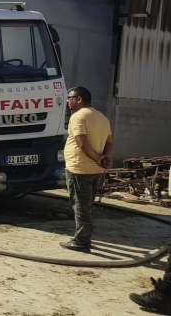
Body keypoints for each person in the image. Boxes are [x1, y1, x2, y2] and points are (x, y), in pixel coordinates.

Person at [60, 86, 114, 252]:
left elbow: (81, 143)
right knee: (87, 205)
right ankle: (84, 238)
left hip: (80, 169)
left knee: (81, 205)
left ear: (79, 99)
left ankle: (81, 242)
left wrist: (99, 158)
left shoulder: (78, 117)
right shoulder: (102, 117)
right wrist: (105, 158)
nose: (68, 100)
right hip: (95, 170)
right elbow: (110, 142)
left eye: (70, 97)